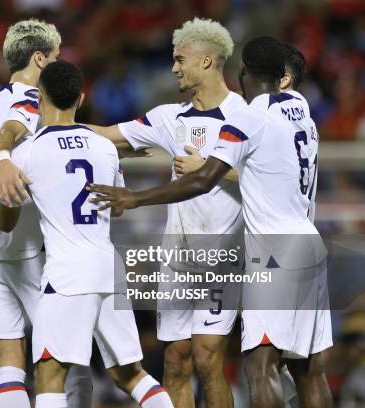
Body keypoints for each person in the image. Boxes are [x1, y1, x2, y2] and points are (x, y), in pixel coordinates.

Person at [87, 36, 333, 408]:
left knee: (259, 366)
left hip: (271, 252)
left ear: (243, 72)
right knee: (309, 370)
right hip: (307, 244)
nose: (174, 68)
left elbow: (204, 180)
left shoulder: (246, 117)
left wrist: (135, 197)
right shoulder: (300, 110)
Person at [0, 60, 174, 408]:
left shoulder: (28, 151)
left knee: (50, 375)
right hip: (109, 268)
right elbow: (116, 206)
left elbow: (5, 221)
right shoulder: (104, 147)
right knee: (130, 375)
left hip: (67, 274)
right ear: (80, 99)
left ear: (39, 97)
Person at [84, 18, 245, 408]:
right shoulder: (168, 118)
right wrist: (52, 124)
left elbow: (271, 179)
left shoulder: (245, 115)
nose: (173, 68)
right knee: (175, 360)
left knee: (208, 359)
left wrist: (210, 170)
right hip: (178, 258)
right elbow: (106, 135)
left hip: (223, 257)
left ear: (206, 61)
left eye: (180, 59)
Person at [0, 19, 92, 408]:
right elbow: (16, 127)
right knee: (67, 359)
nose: (59, 64)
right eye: (56, 57)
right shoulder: (29, 98)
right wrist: (4, 156)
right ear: (39, 58)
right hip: (25, 251)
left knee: (8, 364)